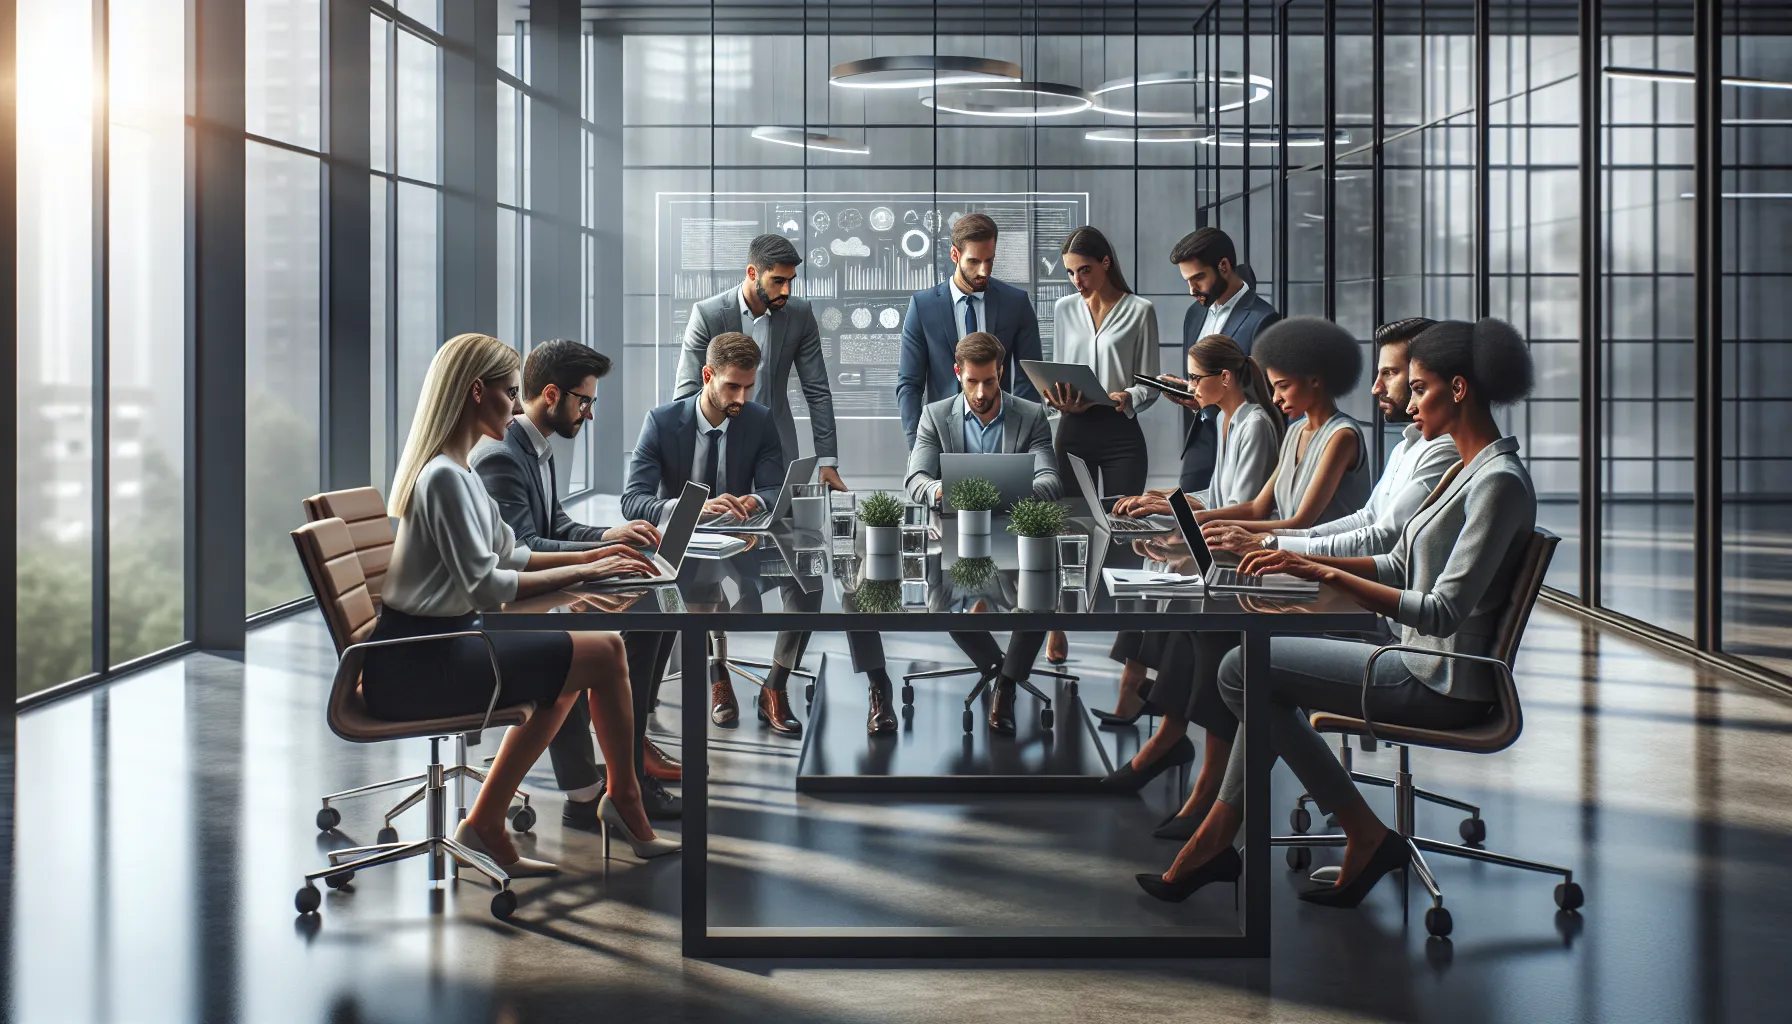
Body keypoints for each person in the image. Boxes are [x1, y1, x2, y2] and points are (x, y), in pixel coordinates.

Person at [1136, 318, 1538, 909]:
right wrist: (1295, 561)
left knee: (1241, 670)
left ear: (1458, 390)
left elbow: (1444, 611)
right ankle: (1329, 834)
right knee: (1247, 668)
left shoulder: (1496, 482)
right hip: (1414, 658)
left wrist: (1322, 571)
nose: (1403, 400)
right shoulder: (1463, 468)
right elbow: (1398, 559)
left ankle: (1248, 834)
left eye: (1418, 387)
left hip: (1437, 678)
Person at [363, 333, 678, 877]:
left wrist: (596, 565)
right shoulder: (444, 477)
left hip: (441, 644)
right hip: (421, 662)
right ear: (475, 391)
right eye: (509, 393)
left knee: (583, 658)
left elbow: (515, 551)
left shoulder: (460, 471)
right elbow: (487, 584)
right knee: (601, 653)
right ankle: (623, 802)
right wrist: (589, 570)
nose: (515, 406)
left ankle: (492, 822)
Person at [1093, 317, 1371, 823]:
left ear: (1315, 380)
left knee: (1212, 626)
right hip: (1279, 565)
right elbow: (1257, 504)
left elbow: (1297, 519)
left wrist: (1225, 531)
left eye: (1283, 385)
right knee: (1190, 614)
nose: (1276, 394)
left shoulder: (1340, 437)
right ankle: (1170, 745)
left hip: (1316, 579)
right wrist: (1177, 509)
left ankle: (1206, 785)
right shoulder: (1294, 434)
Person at [625, 333, 896, 736]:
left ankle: (775, 685)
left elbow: (773, 486)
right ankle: (718, 674)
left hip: (742, 536)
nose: (741, 396)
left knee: (808, 584)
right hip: (684, 544)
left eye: (748, 387)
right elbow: (634, 501)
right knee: (704, 588)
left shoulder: (757, 418)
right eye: (732, 386)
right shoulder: (662, 422)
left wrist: (754, 501)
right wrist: (692, 508)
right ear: (707, 376)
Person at [471, 339, 682, 828]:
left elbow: (556, 525)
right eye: (584, 401)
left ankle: (621, 760)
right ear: (551, 394)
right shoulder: (503, 454)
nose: (588, 414)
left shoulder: (534, 448)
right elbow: (523, 549)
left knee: (653, 613)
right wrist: (598, 559)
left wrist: (609, 537)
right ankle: (604, 783)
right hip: (509, 612)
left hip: (532, 597)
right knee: (622, 633)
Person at [1095, 333, 1283, 729]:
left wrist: (1173, 508)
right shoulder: (1232, 419)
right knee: (1150, 570)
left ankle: (1159, 706)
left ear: (1226, 378)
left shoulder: (1255, 425)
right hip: (1219, 538)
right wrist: (1162, 498)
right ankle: (1146, 695)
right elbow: (1216, 495)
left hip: (1238, 550)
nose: (1190, 387)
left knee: (1169, 579)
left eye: (1196, 378)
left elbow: (1244, 508)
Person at [1203, 317, 1459, 564]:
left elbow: (1382, 538)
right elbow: (1367, 518)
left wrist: (1269, 543)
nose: (1376, 388)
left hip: (1338, 575)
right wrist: (1261, 540)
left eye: (1390, 373)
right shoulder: (1405, 446)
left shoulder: (1346, 436)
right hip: (1320, 566)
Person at [904, 331, 1059, 734]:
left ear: (1001, 373)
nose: (980, 391)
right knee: (940, 606)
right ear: (958, 373)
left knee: (1038, 602)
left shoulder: (1030, 414)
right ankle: (997, 669)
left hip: (1014, 534)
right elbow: (915, 479)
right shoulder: (936, 416)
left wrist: (994, 489)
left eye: (989, 381)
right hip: (955, 535)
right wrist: (943, 490)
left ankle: (1006, 684)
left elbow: (1050, 479)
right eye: (972, 381)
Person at [1042, 226, 1161, 665]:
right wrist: (1056, 398)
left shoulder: (1140, 311)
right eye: (1071, 272)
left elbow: (1150, 383)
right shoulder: (1064, 308)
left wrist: (1129, 396)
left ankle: (1127, 642)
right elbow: (1057, 368)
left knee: (1124, 532)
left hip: (1119, 433)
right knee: (1068, 529)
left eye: (1085, 270)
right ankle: (1058, 622)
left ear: (1106, 263)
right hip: (1072, 428)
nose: (1078, 280)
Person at [674, 233, 848, 493]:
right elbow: (687, 392)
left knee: (782, 523)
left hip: (777, 443)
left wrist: (827, 460)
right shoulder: (707, 314)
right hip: (717, 441)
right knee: (721, 523)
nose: (786, 291)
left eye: (790, 281)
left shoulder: (800, 315)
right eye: (777, 281)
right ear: (752, 272)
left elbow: (817, 390)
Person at [896, 213, 1044, 448]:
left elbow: (1029, 379)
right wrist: (918, 446)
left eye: (990, 260)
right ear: (955, 255)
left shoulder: (1016, 304)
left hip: (1002, 437)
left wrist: (1019, 441)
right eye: (974, 261)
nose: (984, 271)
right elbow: (909, 385)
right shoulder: (923, 307)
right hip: (942, 438)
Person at [1168, 228, 1283, 494]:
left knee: (1228, 523)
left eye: (1198, 278)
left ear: (1223, 266)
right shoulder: (1194, 314)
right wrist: (1190, 390)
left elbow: (1268, 396)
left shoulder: (1263, 319)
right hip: (1201, 436)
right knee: (1186, 520)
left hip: (1244, 439)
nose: (1191, 290)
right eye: (1186, 280)